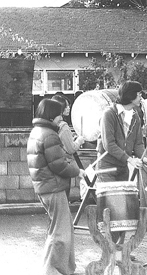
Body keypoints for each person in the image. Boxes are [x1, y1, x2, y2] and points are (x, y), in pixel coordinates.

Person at [27, 98, 85, 275]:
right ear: (52, 115)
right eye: (59, 114)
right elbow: (59, 165)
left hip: (45, 187)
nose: (61, 118)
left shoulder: (37, 131)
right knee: (61, 231)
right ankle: (52, 270)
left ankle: (61, 268)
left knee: (57, 229)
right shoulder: (50, 134)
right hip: (54, 187)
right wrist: (78, 171)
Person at [96, 80, 147, 182]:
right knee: (110, 197)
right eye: (139, 94)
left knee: (123, 197)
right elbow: (109, 144)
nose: (141, 97)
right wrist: (130, 159)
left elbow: (138, 143)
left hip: (123, 166)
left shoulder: (135, 117)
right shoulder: (109, 114)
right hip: (107, 166)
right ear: (130, 96)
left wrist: (144, 158)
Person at [51, 94, 85, 199]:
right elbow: (71, 149)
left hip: (52, 166)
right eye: (66, 106)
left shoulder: (52, 125)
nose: (69, 108)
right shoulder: (64, 126)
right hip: (64, 165)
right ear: (60, 109)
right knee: (64, 198)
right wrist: (79, 141)